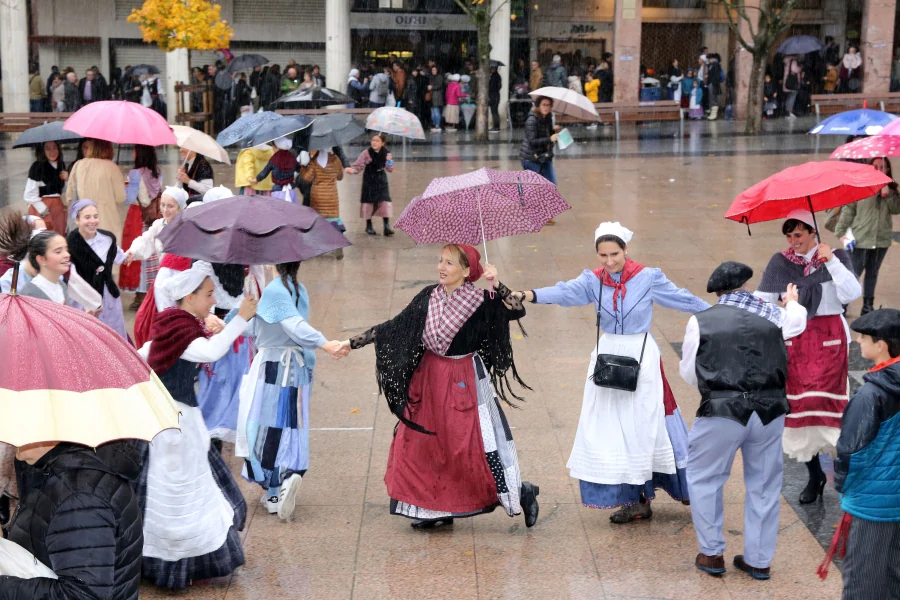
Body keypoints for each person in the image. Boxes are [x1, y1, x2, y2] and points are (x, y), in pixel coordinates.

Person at [514, 223, 710, 523]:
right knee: (613, 429)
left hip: (640, 355)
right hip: (608, 355)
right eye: (602, 255)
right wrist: (529, 294)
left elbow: (682, 298)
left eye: (614, 254)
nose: (608, 261)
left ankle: (666, 489)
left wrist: (718, 313)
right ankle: (634, 499)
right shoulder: (592, 280)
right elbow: (565, 292)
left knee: (645, 425)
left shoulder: (648, 277)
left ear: (626, 249)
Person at [341, 244, 540, 529]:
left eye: (450, 263)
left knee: (472, 446)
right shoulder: (428, 296)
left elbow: (517, 309)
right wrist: (351, 343)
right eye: (440, 261)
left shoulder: (484, 300)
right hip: (430, 377)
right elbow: (393, 327)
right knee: (424, 444)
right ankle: (436, 509)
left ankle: (522, 492)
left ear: (467, 271)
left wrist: (497, 283)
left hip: (465, 379)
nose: (441, 267)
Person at [680, 262, 807, 580]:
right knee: (764, 486)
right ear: (745, 287)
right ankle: (759, 561)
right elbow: (798, 322)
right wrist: (791, 301)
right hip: (769, 412)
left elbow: (689, 373)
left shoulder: (701, 321)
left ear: (718, 292)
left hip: (721, 412)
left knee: (705, 480)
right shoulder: (774, 316)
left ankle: (711, 555)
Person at [136, 262, 256, 589]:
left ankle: (161, 561)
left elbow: (143, 353)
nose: (211, 300)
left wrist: (213, 325)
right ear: (188, 297)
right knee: (178, 496)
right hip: (174, 426)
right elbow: (211, 351)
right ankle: (176, 564)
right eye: (207, 294)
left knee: (174, 494)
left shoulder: (174, 324)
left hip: (170, 420)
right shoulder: (181, 329)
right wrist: (241, 316)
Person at [754, 209, 861, 504]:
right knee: (800, 405)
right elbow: (762, 301)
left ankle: (841, 472)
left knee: (827, 404)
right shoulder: (780, 262)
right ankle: (815, 475)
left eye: (798, 234)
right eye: (788, 235)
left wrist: (833, 261)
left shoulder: (835, 255)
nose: (793, 241)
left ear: (813, 232)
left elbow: (852, 293)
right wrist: (785, 304)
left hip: (831, 336)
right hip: (797, 336)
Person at [236, 262, 345, 520]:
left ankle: (275, 488)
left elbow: (292, 324)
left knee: (265, 428)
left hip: (275, 367)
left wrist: (324, 343)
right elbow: (270, 324)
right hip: (296, 367)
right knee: (290, 425)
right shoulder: (297, 288)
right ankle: (290, 472)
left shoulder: (275, 290)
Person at [818, 309, 900, 598]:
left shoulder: (871, 395)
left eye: (863, 337)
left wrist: (843, 487)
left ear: (882, 345)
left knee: (864, 581)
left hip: (873, 504)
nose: (859, 343)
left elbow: (852, 451)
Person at [0, 441, 143, 599]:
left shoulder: (80, 498)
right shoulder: (55, 472)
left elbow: (81, 594)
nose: (11, 439)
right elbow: (51, 536)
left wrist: (4, 587)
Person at [126, 187, 194, 348]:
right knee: (145, 323)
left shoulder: (188, 227)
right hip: (161, 282)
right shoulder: (158, 224)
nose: (165, 210)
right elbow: (146, 240)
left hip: (182, 283)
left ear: (180, 207)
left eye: (170, 206)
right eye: (162, 205)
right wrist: (132, 251)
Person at [833, 157, 900, 315]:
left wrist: (888, 193)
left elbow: (896, 209)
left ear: (888, 170)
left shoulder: (891, 189)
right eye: (875, 166)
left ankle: (867, 306)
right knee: (853, 273)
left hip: (881, 240)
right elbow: (849, 210)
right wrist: (841, 232)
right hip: (860, 240)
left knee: (872, 273)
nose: (878, 169)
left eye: (882, 167)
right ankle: (842, 305)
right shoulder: (859, 187)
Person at [67, 200, 128, 340]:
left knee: (114, 335)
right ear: (76, 220)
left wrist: (133, 253)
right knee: (91, 337)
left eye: (95, 216)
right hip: (85, 298)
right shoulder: (70, 246)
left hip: (109, 295)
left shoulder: (107, 239)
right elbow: (72, 278)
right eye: (87, 217)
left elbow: (120, 256)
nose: (93, 221)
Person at [120, 145, 163, 309]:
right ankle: (151, 290)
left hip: (138, 215)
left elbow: (128, 198)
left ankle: (140, 293)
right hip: (153, 215)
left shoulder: (135, 173)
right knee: (151, 252)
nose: (132, 152)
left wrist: (125, 185)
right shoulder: (157, 172)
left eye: (135, 150)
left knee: (137, 251)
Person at [64, 138, 126, 243]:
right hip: (107, 222)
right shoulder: (112, 167)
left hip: (84, 222)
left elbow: (69, 196)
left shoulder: (78, 165)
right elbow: (121, 197)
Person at [345, 133, 395, 236]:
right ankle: (368, 225)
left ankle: (386, 226)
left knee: (385, 201)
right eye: (373, 140)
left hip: (381, 178)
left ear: (382, 143)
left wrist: (389, 161)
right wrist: (352, 170)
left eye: (377, 141)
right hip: (369, 178)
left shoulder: (386, 153)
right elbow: (358, 166)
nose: (374, 142)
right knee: (368, 202)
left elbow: (390, 169)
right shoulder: (366, 153)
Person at [299, 149, 346, 257]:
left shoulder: (314, 161)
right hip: (331, 196)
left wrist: (303, 167)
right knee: (333, 221)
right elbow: (340, 177)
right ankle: (338, 244)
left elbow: (307, 178)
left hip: (317, 196)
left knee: (318, 223)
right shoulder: (335, 160)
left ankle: (317, 247)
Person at [24, 141, 68, 234]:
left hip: (58, 207)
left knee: (59, 236)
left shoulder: (61, 165)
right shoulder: (37, 167)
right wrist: (43, 210)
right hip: (42, 207)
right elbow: (29, 194)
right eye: (48, 148)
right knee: (45, 238)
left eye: (55, 147)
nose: (52, 151)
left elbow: (61, 189)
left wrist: (67, 179)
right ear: (42, 151)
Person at [520, 95, 559, 185]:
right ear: (538, 106)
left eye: (548, 105)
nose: (546, 107)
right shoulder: (532, 120)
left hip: (544, 157)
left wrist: (554, 131)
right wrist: (550, 139)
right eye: (543, 105)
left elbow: (549, 137)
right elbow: (532, 141)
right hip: (531, 158)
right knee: (535, 187)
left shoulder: (547, 118)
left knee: (551, 184)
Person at [428, 66, 445, 132]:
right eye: (432, 70)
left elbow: (439, 85)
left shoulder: (439, 77)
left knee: (436, 111)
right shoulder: (432, 77)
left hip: (437, 96)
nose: (433, 71)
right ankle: (435, 125)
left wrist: (432, 87)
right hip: (433, 96)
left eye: (434, 70)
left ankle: (437, 125)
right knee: (433, 112)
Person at [489, 66, 503, 132]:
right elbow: (499, 86)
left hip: (493, 95)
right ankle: (496, 126)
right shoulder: (497, 76)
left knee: (494, 111)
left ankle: (496, 126)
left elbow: (492, 87)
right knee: (495, 111)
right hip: (496, 95)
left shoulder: (494, 77)